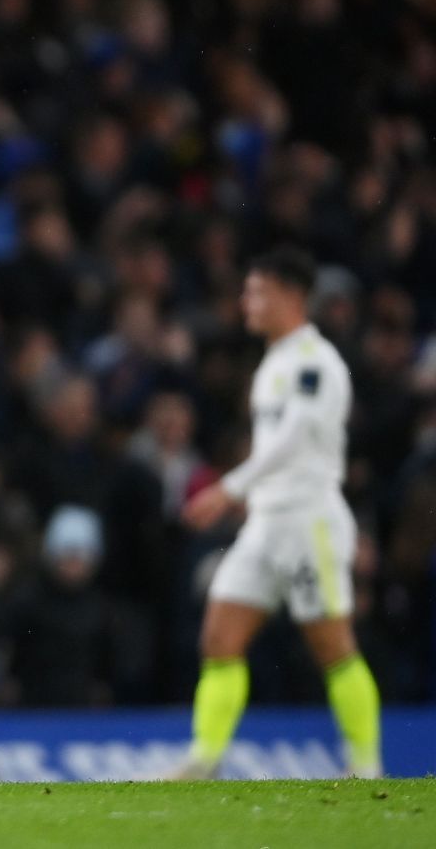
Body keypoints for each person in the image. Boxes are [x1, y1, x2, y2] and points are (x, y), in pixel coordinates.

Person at [172, 246, 382, 779]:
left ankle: (366, 764)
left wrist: (229, 487)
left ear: (291, 295)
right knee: (219, 635)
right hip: (266, 522)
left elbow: (296, 437)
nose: (247, 301)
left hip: (308, 517)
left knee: (332, 645)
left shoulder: (316, 362)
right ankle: (205, 757)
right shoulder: (274, 362)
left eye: (257, 291)